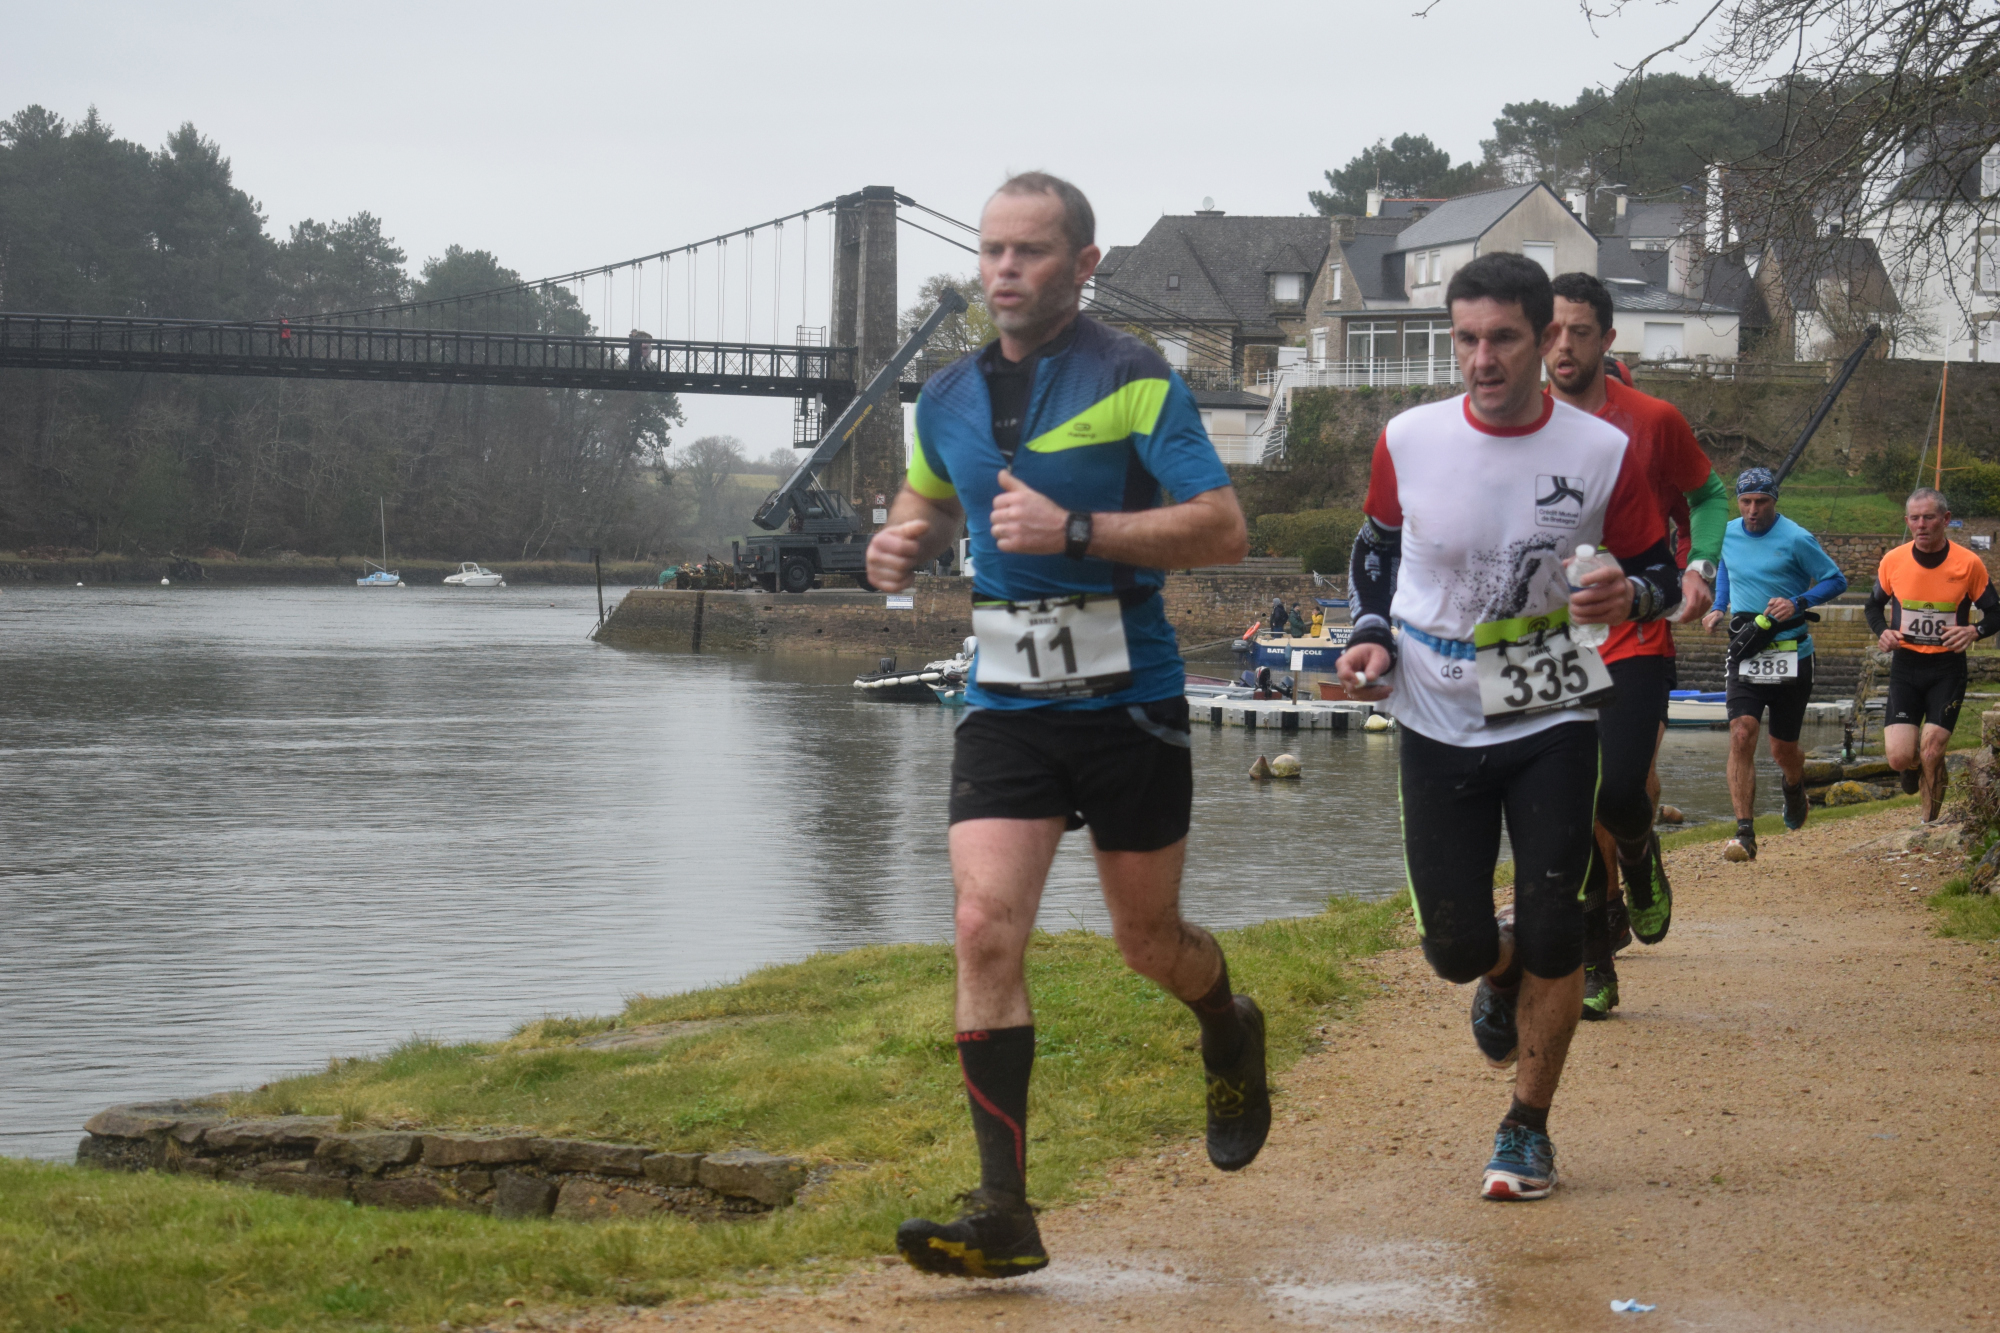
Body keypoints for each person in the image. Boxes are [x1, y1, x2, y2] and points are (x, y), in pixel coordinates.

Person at [865, 171, 1263, 1278]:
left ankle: (1226, 1022)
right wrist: (902, 535)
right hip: (1006, 698)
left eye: (1029, 250)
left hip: (1129, 697)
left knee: (1148, 943)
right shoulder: (944, 392)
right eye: (991, 249)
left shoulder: (1133, 376)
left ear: (1082, 264)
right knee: (983, 924)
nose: (1003, 269)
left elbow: (1222, 529)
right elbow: (929, 492)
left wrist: (1076, 529)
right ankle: (1003, 1210)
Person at [1335, 253, 1681, 1201]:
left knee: (1556, 925)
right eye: (1466, 340)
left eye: (1502, 339)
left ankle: (1527, 1127)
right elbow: (1375, 549)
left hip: (1546, 689)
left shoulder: (1601, 450)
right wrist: (1369, 631)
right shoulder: (1409, 437)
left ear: (1546, 338)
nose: (1482, 359)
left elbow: (1658, 566)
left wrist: (1632, 591)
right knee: (1452, 944)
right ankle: (1496, 971)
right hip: (1435, 701)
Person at [1545, 273, 1730, 1019]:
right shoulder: (1507, 421)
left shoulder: (1652, 420)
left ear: (1608, 339)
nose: (1563, 346)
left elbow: (1708, 496)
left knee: (1617, 791)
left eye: (1579, 331)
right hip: (1540, 637)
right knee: (1564, 806)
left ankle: (1639, 847)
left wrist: (1697, 567)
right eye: (1551, 331)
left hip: (1634, 625)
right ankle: (1596, 957)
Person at [1701, 469, 1848, 861]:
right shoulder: (1728, 533)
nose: (1753, 510)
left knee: (1783, 749)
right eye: (1746, 502)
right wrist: (1719, 606)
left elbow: (1836, 580)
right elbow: (1727, 567)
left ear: (1774, 501)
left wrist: (1798, 602)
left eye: (1761, 502)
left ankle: (1793, 785)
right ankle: (1744, 833)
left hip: (1792, 653)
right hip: (1747, 651)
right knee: (1741, 732)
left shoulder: (1797, 538)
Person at [1866, 487, 2000, 820]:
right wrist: (1883, 632)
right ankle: (1912, 766)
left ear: (1946, 519)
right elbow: (1873, 606)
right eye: (1915, 518)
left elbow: (1995, 612)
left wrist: (1974, 630)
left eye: (1928, 517)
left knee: (1932, 749)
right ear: (1907, 521)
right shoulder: (1894, 560)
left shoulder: (1968, 563)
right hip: (1906, 666)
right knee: (1899, 757)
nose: (1921, 525)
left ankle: (1928, 824)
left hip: (1947, 667)